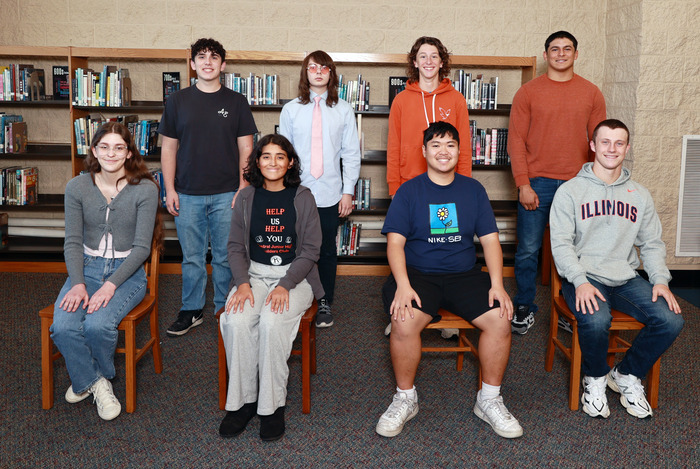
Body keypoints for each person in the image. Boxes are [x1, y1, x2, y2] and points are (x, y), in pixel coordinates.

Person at [376, 122, 522, 439]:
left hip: (463, 275)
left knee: (501, 317)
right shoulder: (408, 191)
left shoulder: (473, 190)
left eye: (451, 145)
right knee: (403, 320)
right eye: (436, 145)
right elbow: (395, 244)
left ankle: (489, 400)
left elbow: (490, 241)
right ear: (424, 151)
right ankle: (405, 398)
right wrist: (402, 285)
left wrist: (498, 285)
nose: (444, 151)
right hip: (418, 275)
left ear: (459, 150)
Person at [550, 119, 684, 419]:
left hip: (625, 278)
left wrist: (660, 280)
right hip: (584, 276)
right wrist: (579, 280)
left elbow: (651, 243)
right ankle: (595, 379)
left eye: (619, 143)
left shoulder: (639, 194)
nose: (612, 149)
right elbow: (561, 244)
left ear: (627, 148)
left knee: (671, 319)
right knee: (597, 320)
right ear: (593, 145)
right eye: (605, 142)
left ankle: (625, 374)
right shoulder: (570, 192)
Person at [50, 122, 162, 421]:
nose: (111, 153)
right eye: (105, 147)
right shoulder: (77, 187)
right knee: (62, 326)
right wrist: (77, 283)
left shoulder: (146, 189)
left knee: (97, 325)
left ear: (129, 153)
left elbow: (142, 248)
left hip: (127, 273)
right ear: (94, 151)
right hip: (86, 268)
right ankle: (98, 382)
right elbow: (72, 241)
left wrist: (110, 285)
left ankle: (86, 379)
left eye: (119, 147)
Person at [218, 134, 324, 441]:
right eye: (266, 156)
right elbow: (235, 247)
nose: (273, 162)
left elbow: (311, 250)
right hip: (253, 274)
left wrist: (286, 284)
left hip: (295, 277)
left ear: (290, 162)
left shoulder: (303, 197)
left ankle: (272, 407)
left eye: (280, 156)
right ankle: (243, 403)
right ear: (257, 161)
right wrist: (242, 283)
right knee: (236, 321)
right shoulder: (246, 197)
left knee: (271, 322)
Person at [508, 30, 606, 335]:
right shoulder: (528, 92)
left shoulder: (592, 93)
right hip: (537, 183)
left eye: (567, 49)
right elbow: (516, 140)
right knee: (528, 250)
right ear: (545, 54)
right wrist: (523, 184)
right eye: (554, 49)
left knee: (577, 252)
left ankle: (570, 308)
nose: (561, 53)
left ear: (576, 54)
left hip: (579, 184)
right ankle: (524, 305)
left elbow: (599, 142)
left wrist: (596, 183)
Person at [159, 38, 258, 337]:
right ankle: (191, 309)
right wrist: (169, 189)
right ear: (192, 64)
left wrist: (243, 186)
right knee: (192, 257)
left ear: (222, 65)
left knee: (226, 256)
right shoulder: (177, 101)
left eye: (214, 57)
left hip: (228, 193)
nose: (207, 62)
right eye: (201, 57)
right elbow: (168, 149)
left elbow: (246, 148)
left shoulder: (236, 101)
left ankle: (224, 308)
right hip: (187, 194)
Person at [279, 50, 361, 328]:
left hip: (329, 192)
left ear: (331, 74)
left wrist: (348, 191)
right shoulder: (291, 110)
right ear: (305, 72)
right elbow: (283, 154)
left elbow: (351, 153)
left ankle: (324, 300)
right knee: (294, 247)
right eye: (312, 67)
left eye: (324, 68)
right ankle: (294, 295)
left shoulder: (343, 109)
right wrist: (282, 190)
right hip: (296, 192)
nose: (318, 72)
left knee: (325, 250)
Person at [387, 36, 472, 197]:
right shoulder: (400, 100)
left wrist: (464, 184)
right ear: (415, 62)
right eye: (423, 56)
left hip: (449, 184)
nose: (428, 61)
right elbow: (393, 147)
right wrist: (394, 187)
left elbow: (465, 147)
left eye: (434, 56)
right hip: (409, 183)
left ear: (441, 63)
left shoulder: (457, 99)